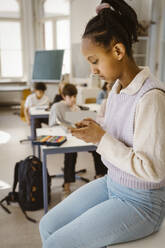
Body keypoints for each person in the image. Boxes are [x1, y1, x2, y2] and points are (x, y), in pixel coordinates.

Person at [40, 1, 165, 247]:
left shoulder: (152, 97)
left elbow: (153, 171)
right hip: (113, 182)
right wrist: (95, 129)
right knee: (48, 226)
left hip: (142, 202)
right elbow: (116, 132)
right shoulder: (117, 89)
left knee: (57, 244)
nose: (92, 70)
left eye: (94, 60)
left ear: (118, 51)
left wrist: (101, 138)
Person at [49, 83, 107, 195]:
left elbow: (80, 122)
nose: (73, 99)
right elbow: (53, 126)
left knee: (97, 148)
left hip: (79, 136)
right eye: (70, 97)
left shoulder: (75, 107)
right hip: (68, 138)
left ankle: (100, 176)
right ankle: (67, 184)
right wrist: (68, 128)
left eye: (74, 96)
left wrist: (78, 114)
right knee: (71, 154)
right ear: (63, 96)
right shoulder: (57, 107)